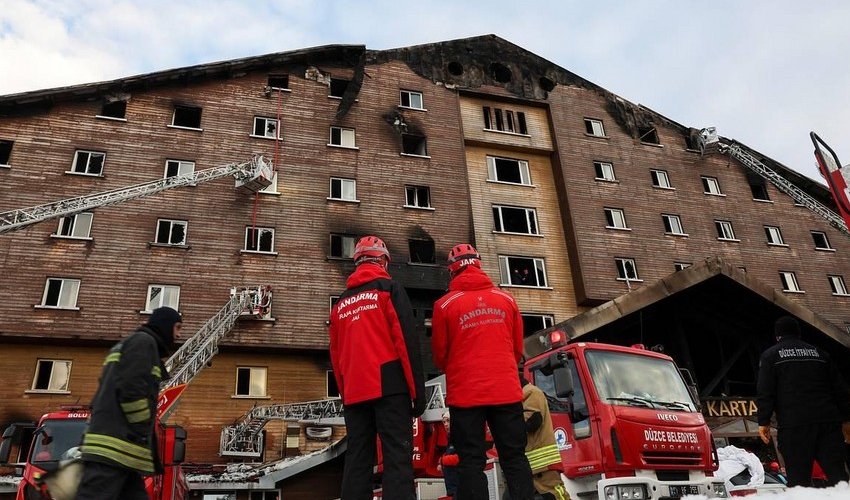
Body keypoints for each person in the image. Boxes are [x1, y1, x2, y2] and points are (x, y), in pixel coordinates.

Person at [432, 243, 534, 500]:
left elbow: (440, 356)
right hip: (506, 392)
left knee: (470, 462)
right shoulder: (506, 299)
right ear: (478, 264)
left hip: (466, 396)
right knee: (515, 457)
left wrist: (459, 368)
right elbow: (517, 348)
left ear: (452, 271)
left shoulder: (444, 306)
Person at [328, 235, 426, 500]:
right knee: (397, 457)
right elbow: (405, 342)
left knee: (358, 458)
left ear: (357, 262)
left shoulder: (339, 305)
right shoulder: (389, 290)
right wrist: (417, 392)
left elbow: (336, 357)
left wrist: (344, 394)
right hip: (390, 387)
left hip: (355, 392)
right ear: (383, 260)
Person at [76, 306, 182, 500]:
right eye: (177, 327)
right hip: (113, 450)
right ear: (166, 326)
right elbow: (131, 388)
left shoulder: (134, 344)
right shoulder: (143, 343)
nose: (178, 334)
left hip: (122, 455)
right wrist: (141, 426)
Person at [756, 315, 850, 487]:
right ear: (799, 334)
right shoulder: (820, 354)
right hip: (827, 423)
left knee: (799, 481)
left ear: (778, 336)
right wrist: (846, 419)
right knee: (838, 477)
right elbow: (840, 390)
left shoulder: (770, 356)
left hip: (794, 426)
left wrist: (763, 421)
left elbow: (765, 391)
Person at [520, 372, 568, 500]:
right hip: (529, 466)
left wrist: (505, 421)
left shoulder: (531, 392)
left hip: (543, 466)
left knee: (555, 496)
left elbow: (533, 421)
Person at [440, 411, 459, 498]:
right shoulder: (450, 440)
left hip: (460, 487)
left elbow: (465, 457)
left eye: (448, 421)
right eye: (444, 422)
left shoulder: (460, 437)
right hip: (452, 488)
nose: (446, 424)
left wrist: (443, 460)